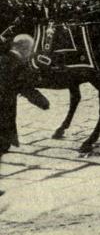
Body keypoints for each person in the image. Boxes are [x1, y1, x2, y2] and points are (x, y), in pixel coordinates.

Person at [0, 34, 50, 196]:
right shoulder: (17, 63)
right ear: (24, 48)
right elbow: (25, 87)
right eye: (31, 49)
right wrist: (42, 102)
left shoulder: (3, 57)